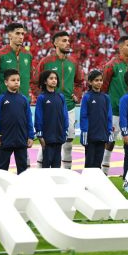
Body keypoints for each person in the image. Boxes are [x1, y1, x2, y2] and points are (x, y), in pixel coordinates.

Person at [34, 31, 83, 169]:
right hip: (49, 107)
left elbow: (79, 82)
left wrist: (77, 94)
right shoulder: (46, 61)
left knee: (68, 141)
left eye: (68, 40)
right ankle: (39, 172)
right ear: (55, 43)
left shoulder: (73, 62)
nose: (68, 43)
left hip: (69, 106)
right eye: (64, 40)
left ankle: (65, 174)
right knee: (46, 141)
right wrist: (42, 96)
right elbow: (35, 81)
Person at [0, 23, 33, 168]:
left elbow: (29, 77)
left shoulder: (28, 55)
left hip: (22, 102)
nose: (21, 36)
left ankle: (25, 167)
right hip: (4, 100)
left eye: (22, 34)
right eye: (18, 33)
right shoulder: (0, 55)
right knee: (0, 136)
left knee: (22, 135)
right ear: (9, 35)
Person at [101, 35, 128, 175]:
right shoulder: (112, 65)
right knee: (109, 141)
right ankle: (104, 171)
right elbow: (103, 88)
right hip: (114, 111)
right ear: (120, 47)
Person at [0, 69, 34, 173]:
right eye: (13, 80)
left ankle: (22, 188)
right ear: (6, 82)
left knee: (23, 168)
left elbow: (29, 118)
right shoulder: (1, 99)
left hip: (21, 139)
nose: (16, 82)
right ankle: (1, 187)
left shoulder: (24, 99)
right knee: (2, 167)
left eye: (18, 80)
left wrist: (31, 136)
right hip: (5, 139)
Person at [35, 70, 69, 169]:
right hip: (47, 137)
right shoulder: (42, 97)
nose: (54, 80)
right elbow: (38, 116)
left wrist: (65, 129)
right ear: (45, 81)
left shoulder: (60, 96)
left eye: (55, 78)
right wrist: (40, 134)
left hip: (59, 135)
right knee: (46, 163)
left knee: (57, 164)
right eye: (51, 78)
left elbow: (65, 114)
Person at [80, 70, 113, 169]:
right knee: (89, 163)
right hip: (90, 136)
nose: (99, 82)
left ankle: (96, 183)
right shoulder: (87, 97)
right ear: (90, 82)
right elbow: (83, 116)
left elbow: (109, 116)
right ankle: (86, 183)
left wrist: (109, 130)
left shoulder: (106, 97)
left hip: (102, 135)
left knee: (98, 163)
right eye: (96, 80)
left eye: (101, 80)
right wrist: (84, 132)